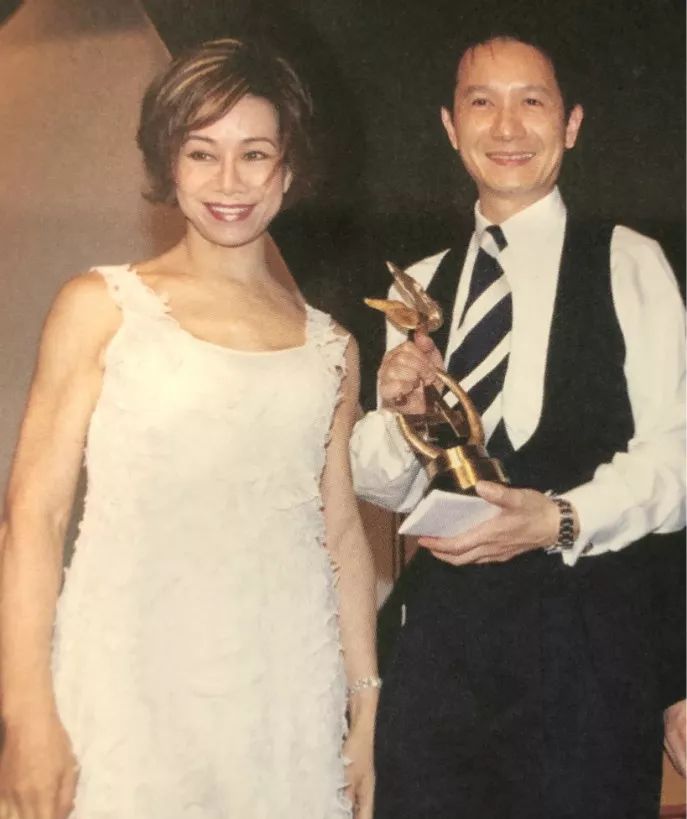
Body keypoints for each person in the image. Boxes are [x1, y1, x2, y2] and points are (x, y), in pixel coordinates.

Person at [0, 38, 378, 819]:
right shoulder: (99, 307)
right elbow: (34, 517)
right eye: (202, 153)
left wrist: (367, 701)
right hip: (126, 697)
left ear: (288, 169)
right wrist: (26, 713)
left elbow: (341, 533)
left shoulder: (332, 349)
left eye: (254, 154)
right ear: (168, 164)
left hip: (284, 705)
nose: (228, 182)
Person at [351, 32, 685, 818]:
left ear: (570, 123)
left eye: (530, 101)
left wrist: (558, 517)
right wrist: (401, 411)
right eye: (481, 103)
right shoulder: (418, 285)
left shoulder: (628, 260)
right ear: (449, 126)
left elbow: (676, 454)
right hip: (442, 655)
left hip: (587, 652)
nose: (506, 127)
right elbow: (381, 484)